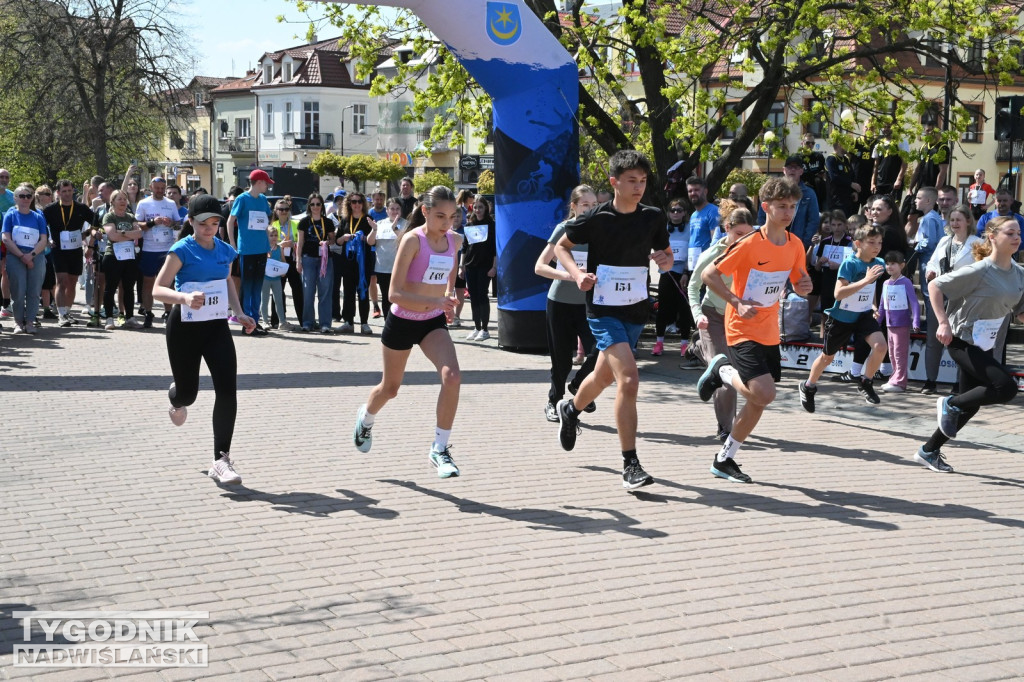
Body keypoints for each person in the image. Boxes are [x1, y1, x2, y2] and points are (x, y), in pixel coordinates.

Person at [553, 150, 672, 490]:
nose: (638, 187)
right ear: (614, 182)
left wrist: (665, 260)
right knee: (629, 379)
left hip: (636, 308)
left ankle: (571, 409)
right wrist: (577, 274)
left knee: (603, 377)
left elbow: (666, 256)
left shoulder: (653, 217)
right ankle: (630, 463)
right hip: (603, 309)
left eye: (643, 181)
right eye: (632, 181)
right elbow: (562, 246)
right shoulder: (597, 218)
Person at [697, 176, 812, 483]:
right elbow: (709, 274)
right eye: (781, 206)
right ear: (765, 207)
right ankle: (721, 370)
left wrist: (805, 285)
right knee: (766, 393)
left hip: (769, 332)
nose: (788, 212)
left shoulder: (795, 244)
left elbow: (800, 282)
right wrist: (736, 300)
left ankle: (725, 459)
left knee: (758, 401)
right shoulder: (749, 244)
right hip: (741, 329)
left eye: (792, 206)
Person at [352, 186, 464, 478]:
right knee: (390, 388)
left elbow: (450, 274)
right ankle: (365, 419)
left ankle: (440, 449)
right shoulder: (413, 241)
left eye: (451, 217)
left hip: (433, 323)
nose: (446, 223)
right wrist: (435, 300)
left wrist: (449, 298)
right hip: (402, 321)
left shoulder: (455, 240)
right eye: (440, 215)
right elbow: (394, 294)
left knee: (452, 376)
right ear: (425, 212)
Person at [152, 194, 256, 485]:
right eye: (203, 223)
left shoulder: (225, 251)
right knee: (189, 394)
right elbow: (157, 290)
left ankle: (220, 460)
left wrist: (239, 313)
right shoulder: (181, 250)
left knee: (227, 390)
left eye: (214, 222)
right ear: (190, 222)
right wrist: (183, 297)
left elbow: (226, 283)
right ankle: (176, 397)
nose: (209, 228)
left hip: (216, 328)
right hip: (184, 327)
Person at [915, 216, 1024, 473]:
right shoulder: (980, 270)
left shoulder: (1020, 274)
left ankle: (928, 450)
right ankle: (951, 402)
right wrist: (942, 322)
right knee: (1005, 387)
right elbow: (935, 286)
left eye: (1018, 232)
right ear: (992, 236)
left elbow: (1020, 312)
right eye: (1010, 232)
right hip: (961, 340)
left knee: (970, 405)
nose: (1017, 237)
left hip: (985, 342)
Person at [799, 223, 888, 412]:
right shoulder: (850, 264)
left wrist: (872, 304)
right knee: (827, 358)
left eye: (879, 242)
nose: (876, 246)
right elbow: (839, 293)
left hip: (863, 315)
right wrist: (864, 280)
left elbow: (870, 287)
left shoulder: (879, 263)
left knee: (881, 346)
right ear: (858, 243)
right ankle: (808, 386)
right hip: (841, 318)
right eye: (871, 242)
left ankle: (866, 381)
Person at [688, 202, 753, 441]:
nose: (742, 240)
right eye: (738, 234)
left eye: (748, 235)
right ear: (727, 228)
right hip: (712, 315)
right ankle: (726, 428)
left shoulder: (754, 251)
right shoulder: (712, 254)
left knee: (738, 372)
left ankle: (698, 349)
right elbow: (693, 287)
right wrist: (698, 315)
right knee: (726, 374)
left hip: (739, 319)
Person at [534, 185, 599, 422]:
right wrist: (570, 275)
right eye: (585, 205)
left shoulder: (600, 231)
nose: (590, 210)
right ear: (573, 207)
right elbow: (540, 266)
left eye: (594, 206)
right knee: (560, 359)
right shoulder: (564, 229)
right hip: (560, 302)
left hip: (589, 304)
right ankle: (554, 401)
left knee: (599, 351)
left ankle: (580, 386)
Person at [922, 205, 981, 393]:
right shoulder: (943, 241)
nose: (955, 223)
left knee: (960, 341)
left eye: (959, 220)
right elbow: (932, 262)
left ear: (968, 222)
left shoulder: (977, 243)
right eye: (952, 220)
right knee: (934, 339)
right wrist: (929, 271)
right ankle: (930, 381)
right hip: (940, 294)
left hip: (964, 298)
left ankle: (959, 384)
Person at [42, 179, 95, 327]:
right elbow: (41, 226)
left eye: (69, 191)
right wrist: (47, 240)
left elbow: (96, 222)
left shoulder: (81, 208)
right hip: (58, 249)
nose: (67, 194)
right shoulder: (50, 209)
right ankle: (61, 314)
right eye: (63, 191)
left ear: (73, 191)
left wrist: (86, 234)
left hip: (75, 249)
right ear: (58, 193)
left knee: (72, 282)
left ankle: (67, 311)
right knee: (61, 281)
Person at [226, 169, 273, 336]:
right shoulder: (242, 199)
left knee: (257, 287)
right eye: (266, 182)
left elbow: (265, 223)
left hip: (262, 249)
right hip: (246, 249)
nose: (267, 185)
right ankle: (247, 323)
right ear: (259, 182)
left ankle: (255, 321)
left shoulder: (263, 200)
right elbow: (230, 221)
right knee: (247, 286)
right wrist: (232, 243)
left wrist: (269, 242)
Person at [1, 183, 48, 334]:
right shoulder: (10, 214)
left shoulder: (38, 216)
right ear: (15, 198)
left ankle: (30, 321)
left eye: (28, 196)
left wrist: (31, 255)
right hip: (15, 256)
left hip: (36, 256)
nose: (25, 199)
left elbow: (43, 239)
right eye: (22, 196)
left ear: (32, 198)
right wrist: (21, 256)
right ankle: (18, 322)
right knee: (18, 290)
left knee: (34, 291)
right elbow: (6, 238)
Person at [135, 176, 181, 328]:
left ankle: (168, 313)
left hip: (167, 249)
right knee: (148, 283)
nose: (160, 191)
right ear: (151, 187)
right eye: (157, 188)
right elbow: (137, 225)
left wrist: (171, 223)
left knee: (167, 283)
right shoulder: (144, 203)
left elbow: (178, 223)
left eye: (162, 188)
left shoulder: (170, 203)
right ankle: (148, 312)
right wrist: (152, 223)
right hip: (149, 249)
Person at [652, 197, 694, 356]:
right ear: (668, 213)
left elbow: (691, 251)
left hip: (682, 274)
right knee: (663, 308)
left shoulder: (689, 228)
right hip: (666, 273)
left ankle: (684, 344)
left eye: (679, 210)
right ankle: (659, 342)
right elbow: (656, 248)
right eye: (673, 210)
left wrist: (685, 272)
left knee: (683, 309)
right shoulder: (663, 229)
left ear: (684, 213)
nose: (676, 213)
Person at [875, 251, 920, 392]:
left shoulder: (905, 281)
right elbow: (882, 305)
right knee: (892, 353)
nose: (889, 267)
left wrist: (916, 321)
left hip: (902, 324)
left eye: (893, 264)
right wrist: (877, 321)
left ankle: (900, 382)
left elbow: (914, 302)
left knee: (900, 353)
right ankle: (894, 378)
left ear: (902, 265)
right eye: (887, 264)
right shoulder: (885, 283)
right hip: (890, 324)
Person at [100, 190, 144, 330]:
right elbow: (112, 236)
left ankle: (130, 317)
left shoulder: (131, 217)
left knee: (129, 288)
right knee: (111, 287)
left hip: (129, 256)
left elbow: (139, 233)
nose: (123, 201)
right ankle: (109, 318)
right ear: (112, 201)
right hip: (113, 256)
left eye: (124, 199)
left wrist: (122, 233)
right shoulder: (109, 216)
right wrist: (128, 234)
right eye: (119, 199)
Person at [334, 192, 377, 334]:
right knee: (348, 292)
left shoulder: (368, 219)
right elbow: (337, 241)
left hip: (363, 262)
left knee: (363, 292)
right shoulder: (345, 220)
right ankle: (348, 322)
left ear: (363, 203)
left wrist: (364, 238)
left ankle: (364, 323)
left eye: (359, 201)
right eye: (353, 202)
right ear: (349, 204)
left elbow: (373, 242)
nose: (356, 204)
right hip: (347, 262)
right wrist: (345, 238)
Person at [758, 156, 820, 248]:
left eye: (796, 167)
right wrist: (767, 238)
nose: (793, 170)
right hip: (771, 242)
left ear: (801, 171)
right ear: (784, 170)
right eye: (790, 167)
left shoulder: (809, 194)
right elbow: (762, 216)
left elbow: (813, 221)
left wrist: (803, 244)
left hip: (798, 244)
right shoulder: (773, 189)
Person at [295, 193, 334, 333]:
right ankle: (307, 322)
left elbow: (333, 240)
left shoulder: (328, 222)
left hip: (325, 260)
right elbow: (300, 243)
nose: (315, 207)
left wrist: (327, 242)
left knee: (325, 291)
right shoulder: (304, 222)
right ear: (309, 206)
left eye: (318, 204)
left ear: (322, 206)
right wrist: (298, 261)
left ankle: (325, 324)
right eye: (313, 204)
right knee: (308, 291)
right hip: (308, 259)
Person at [461, 194, 497, 341]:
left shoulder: (492, 225)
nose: (478, 210)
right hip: (470, 266)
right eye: (475, 207)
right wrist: (461, 266)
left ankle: (485, 329)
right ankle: (476, 327)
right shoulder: (469, 225)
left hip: (485, 266)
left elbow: (496, 248)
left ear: (486, 208)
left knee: (483, 297)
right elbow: (465, 247)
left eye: (480, 207)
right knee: (474, 298)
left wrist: (494, 267)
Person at [807, 210, 851, 325]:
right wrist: (820, 262)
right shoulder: (825, 242)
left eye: (839, 225)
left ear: (845, 225)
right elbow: (817, 268)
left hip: (842, 281)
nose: (836, 228)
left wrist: (838, 266)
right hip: (826, 281)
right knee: (825, 312)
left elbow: (852, 266)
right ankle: (823, 339)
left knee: (840, 312)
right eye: (833, 225)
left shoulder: (849, 242)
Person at [270, 198, 303, 329]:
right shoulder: (273, 225)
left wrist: (293, 244)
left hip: (293, 259)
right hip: (278, 260)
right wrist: (280, 244)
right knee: (278, 291)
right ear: (276, 211)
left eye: (286, 209)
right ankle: (276, 320)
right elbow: (268, 243)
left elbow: (301, 242)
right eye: (281, 209)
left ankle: (303, 320)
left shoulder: (296, 223)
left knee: (298, 290)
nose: (284, 212)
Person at [373, 198, 407, 321]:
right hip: (382, 267)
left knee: (398, 297)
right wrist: (374, 230)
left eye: (397, 208)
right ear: (387, 210)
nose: (395, 211)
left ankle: (399, 322)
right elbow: (372, 242)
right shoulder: (380, 223)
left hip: (399, 268)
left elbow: (407, 242)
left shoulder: (406, 224)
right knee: (386, 296)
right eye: (392, 208)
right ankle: (387, 322)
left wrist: (395, 229)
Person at [683, 176, 719, 271]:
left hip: (706, 266)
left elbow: (716, 242)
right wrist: (686, 271)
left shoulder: (713, 211)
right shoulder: (694, 215)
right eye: (690, 191)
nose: (693, 193)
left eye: (696, 190)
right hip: (693, 265)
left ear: (705, 191)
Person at [261, 226, 291, 331]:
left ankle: (282, 322)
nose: (274, 237)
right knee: (264, 300)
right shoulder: (264, 248)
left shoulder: (279, 248)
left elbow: (283, 260)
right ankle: (265, 321)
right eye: (271, 235)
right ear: (266, 236)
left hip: (276, 278)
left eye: (275, 235)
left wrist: (284, 270)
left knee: (279, 300)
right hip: (265, 278)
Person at [826, 139, 859, 217]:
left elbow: (851, 175)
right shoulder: (831, 159)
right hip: (836, 200)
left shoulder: (846, 159)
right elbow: (834, 177)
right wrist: (851, 184)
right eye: (846, 144)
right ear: (840, 145)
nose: (848, 146)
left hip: (847, 199)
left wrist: (853, 191)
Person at [799, 133, 828, 208]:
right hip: (804, 192)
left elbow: (823, 172)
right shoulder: (798, 158)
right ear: (802, 143)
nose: (810, 145)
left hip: (819, 193)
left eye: (813, 143)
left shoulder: (818, 157)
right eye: (808, 143)